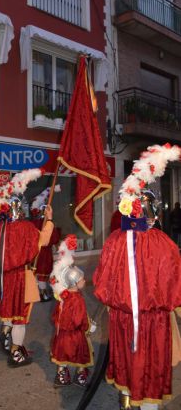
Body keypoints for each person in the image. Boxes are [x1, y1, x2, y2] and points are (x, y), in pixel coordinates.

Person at [93, 143, 181, 410]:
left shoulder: (113, 242)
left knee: (128, 365)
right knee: (148, 369)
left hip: (122, 320)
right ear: (152, 214)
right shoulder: (163, 244)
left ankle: (127, 400)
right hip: (152, 323)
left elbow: (102, 283)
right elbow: (174, 285)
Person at [0, 168, 55, 367]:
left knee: (7, 312)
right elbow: (43, 240)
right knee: (19, 317)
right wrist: (49, 220)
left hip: (3, 279)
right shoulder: (25, 228)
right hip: (19, 278)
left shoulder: (1, 229)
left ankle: (5, 338)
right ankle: (16, 353)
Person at [49, 235, 95, 388]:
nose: (84, 281)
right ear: (74, 282)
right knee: (81, 355)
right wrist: (88, 326)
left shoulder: (64, 300)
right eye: (81, 280)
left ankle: (62, 375)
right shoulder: (77, 299)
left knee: (62, 355)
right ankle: (81, 375)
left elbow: (57, 316)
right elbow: (79, 319)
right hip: (76, 336)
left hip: (62, 334)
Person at [30, 185, 61, 302]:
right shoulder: (47, 224)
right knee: (43, 272)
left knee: (36, 272)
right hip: (44, 253)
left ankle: (37, 291)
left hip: (34, 252)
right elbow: (54, 239)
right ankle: (42, 293)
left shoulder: (32, 223)